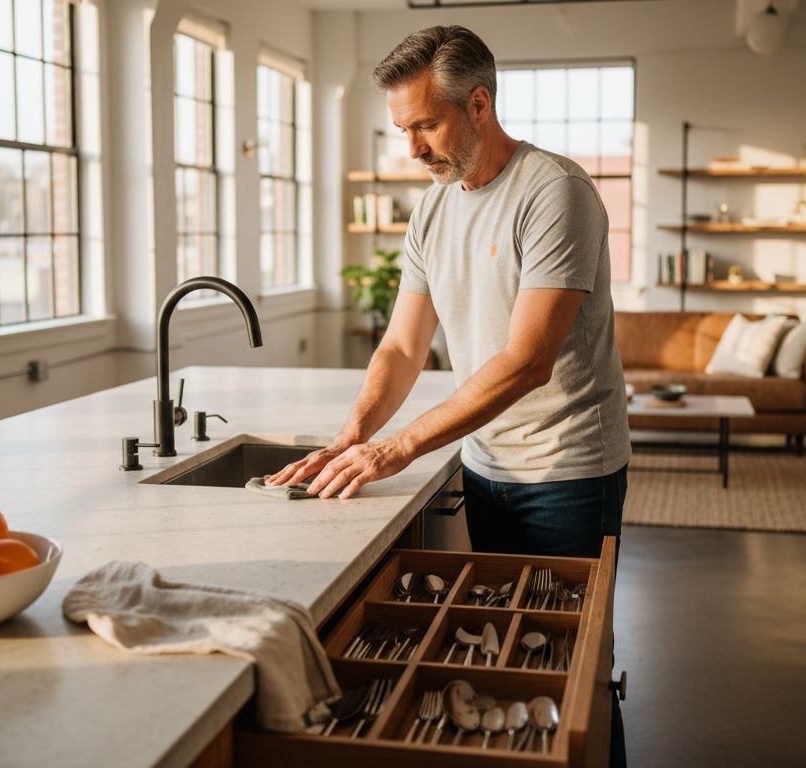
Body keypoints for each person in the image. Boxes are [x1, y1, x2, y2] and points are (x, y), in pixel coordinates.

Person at [267, 25, 629, 763]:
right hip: (486, 465)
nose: (413, 150)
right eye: (403, 130)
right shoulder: (432, 209)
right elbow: (402, 347)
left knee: (571, 666)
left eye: (426, 125)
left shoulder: (554, 192)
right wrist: (352, 435)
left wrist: (397, 447)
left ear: (480, 104)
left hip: (567, 470)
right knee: (504, 660)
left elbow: (527, 362)